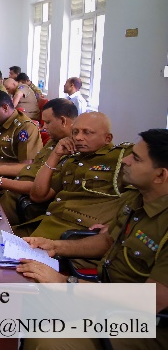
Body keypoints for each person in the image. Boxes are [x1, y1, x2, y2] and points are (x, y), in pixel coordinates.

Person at [17, 129, 168, 350]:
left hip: (147, 322)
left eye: (136, 158)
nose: (125, 160)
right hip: (107, 296)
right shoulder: (135, 199)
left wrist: (65, 283)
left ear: (160, 175)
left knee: (47, 342)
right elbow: (107, 241)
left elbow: (153, 300)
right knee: (19, 297)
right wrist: (55, 246)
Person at [17, 112, 133, 240]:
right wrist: (55, 155)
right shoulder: (72, 160)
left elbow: (141, 196)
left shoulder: (121, 158)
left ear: (108, 138)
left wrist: (114, 225)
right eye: (75, 132)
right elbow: (38, 196)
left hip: (75, 234)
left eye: (87, 132)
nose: (78, 137)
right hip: (48, 223)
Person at [0, 99, 78, 225]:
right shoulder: (54, 141)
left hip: (21, 206)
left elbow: (39, 189)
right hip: (10, 194)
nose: (44, 127)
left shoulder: (69, 150)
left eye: (48, 122)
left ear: (63, 121)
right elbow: (32, 168)